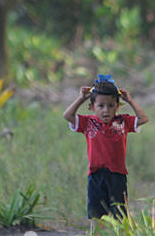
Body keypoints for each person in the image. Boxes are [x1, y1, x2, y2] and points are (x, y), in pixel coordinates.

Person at [62, 76, 150, 228]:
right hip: (95, 175)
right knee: (98, 215)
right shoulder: (87, 122)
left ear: (117, 107)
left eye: (111, 106)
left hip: (118, 175)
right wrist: (81, 98)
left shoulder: (123, 121)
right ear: (92, 107)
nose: (106, 110)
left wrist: (129, 100)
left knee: (120, 214)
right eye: (101, 105)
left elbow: (143, 118)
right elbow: (67, 116)